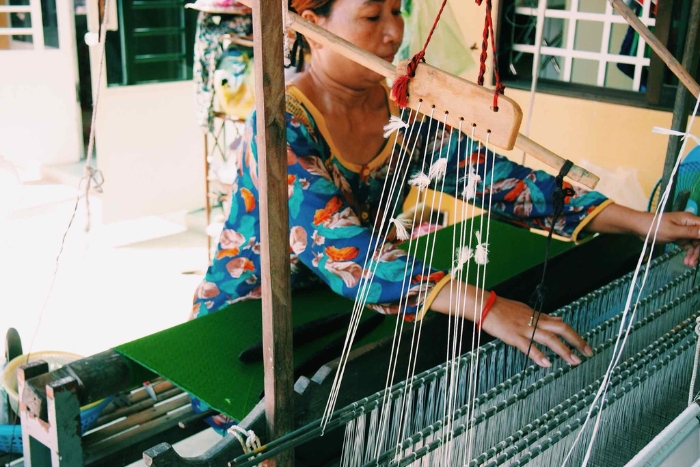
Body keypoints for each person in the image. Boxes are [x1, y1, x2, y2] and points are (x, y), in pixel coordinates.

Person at [192, 0, 700, 372]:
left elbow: (501, 182)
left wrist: (640, 222)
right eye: (372, 16)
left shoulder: (402, 111)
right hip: (251, 319)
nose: (393, 32)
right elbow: (342, 247)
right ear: (311, 24)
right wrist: (488, 308)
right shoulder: (282, 124)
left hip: (340, 309)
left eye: (398, 11)